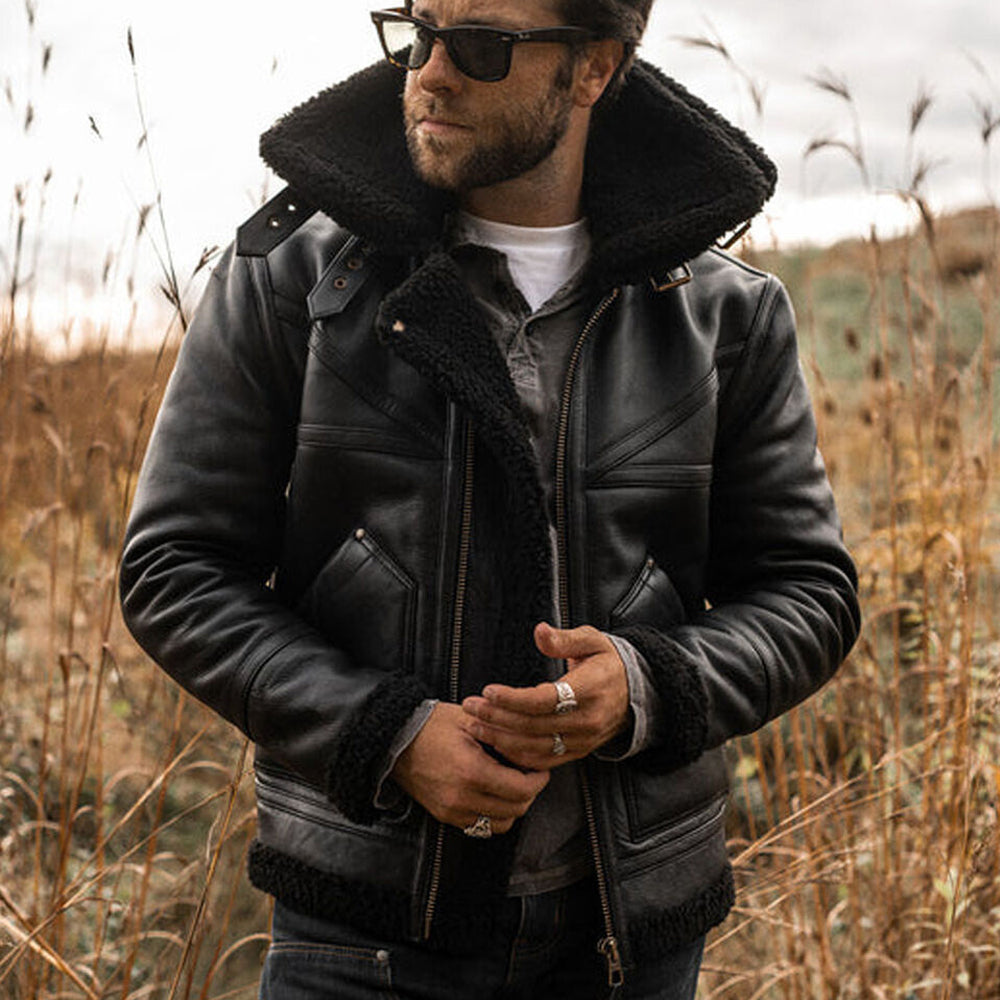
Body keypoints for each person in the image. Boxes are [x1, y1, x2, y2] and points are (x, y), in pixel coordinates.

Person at [119, 0, 860, 996]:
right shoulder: (290, 277)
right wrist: (382, 734)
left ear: (593, 68)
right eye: (415, 30)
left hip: (623, 940)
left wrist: (643, 687)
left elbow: (808, 591)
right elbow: (173, 569)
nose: (428, 73)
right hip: (361, 931)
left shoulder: (727, 314)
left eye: (479, 46)